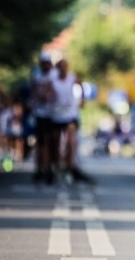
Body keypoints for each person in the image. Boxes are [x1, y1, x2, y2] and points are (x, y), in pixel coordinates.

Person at [50, 58, 93, 184]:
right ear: (57, 68)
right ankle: (57, 169)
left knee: (70, 143)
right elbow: (45, 92)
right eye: (61, 66)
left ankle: (69, 169)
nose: (63, 69)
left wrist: (83, 99)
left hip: (70, 115)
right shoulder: (53, 80)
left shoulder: (72, 78)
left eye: (65, 66)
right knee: (56, 144)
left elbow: (81, 84)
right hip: (57, 116)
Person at [31, 52, 57, 184]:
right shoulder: (36, 76)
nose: (45, 65)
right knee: (41, 142)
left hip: (53, 115)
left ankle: (50, 167)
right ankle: (40, 168)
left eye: (47, 63)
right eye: (43, 63)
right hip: (40, 114)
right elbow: (34, 93)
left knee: (52, 142)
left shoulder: (55, 75)